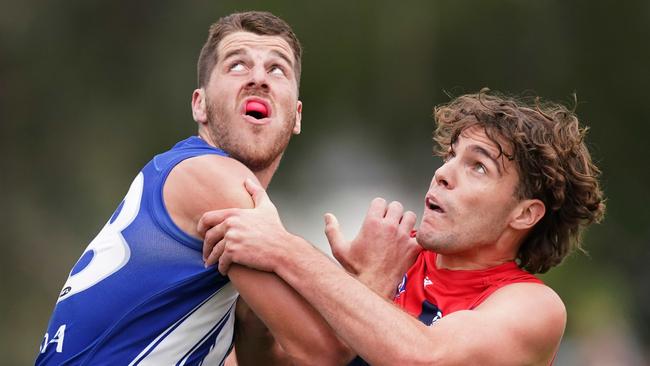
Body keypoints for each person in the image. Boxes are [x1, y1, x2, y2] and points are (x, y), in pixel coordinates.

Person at [36, 11, 352, 365]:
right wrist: (374, 275)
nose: (259, 79)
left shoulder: (214, 196)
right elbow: (325, 353)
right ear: (199, 105)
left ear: (296, 116)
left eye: (277, 69)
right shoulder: (212, 178)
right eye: (237, 65)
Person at [201, 89, 606, 365]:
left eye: (478, 166)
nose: (443, 173)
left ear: (524, 214)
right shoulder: (392, 258)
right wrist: (256, 293)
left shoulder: (533, 307)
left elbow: (424, 357)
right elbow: (290, 360)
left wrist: (286, 251)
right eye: (451, 155)